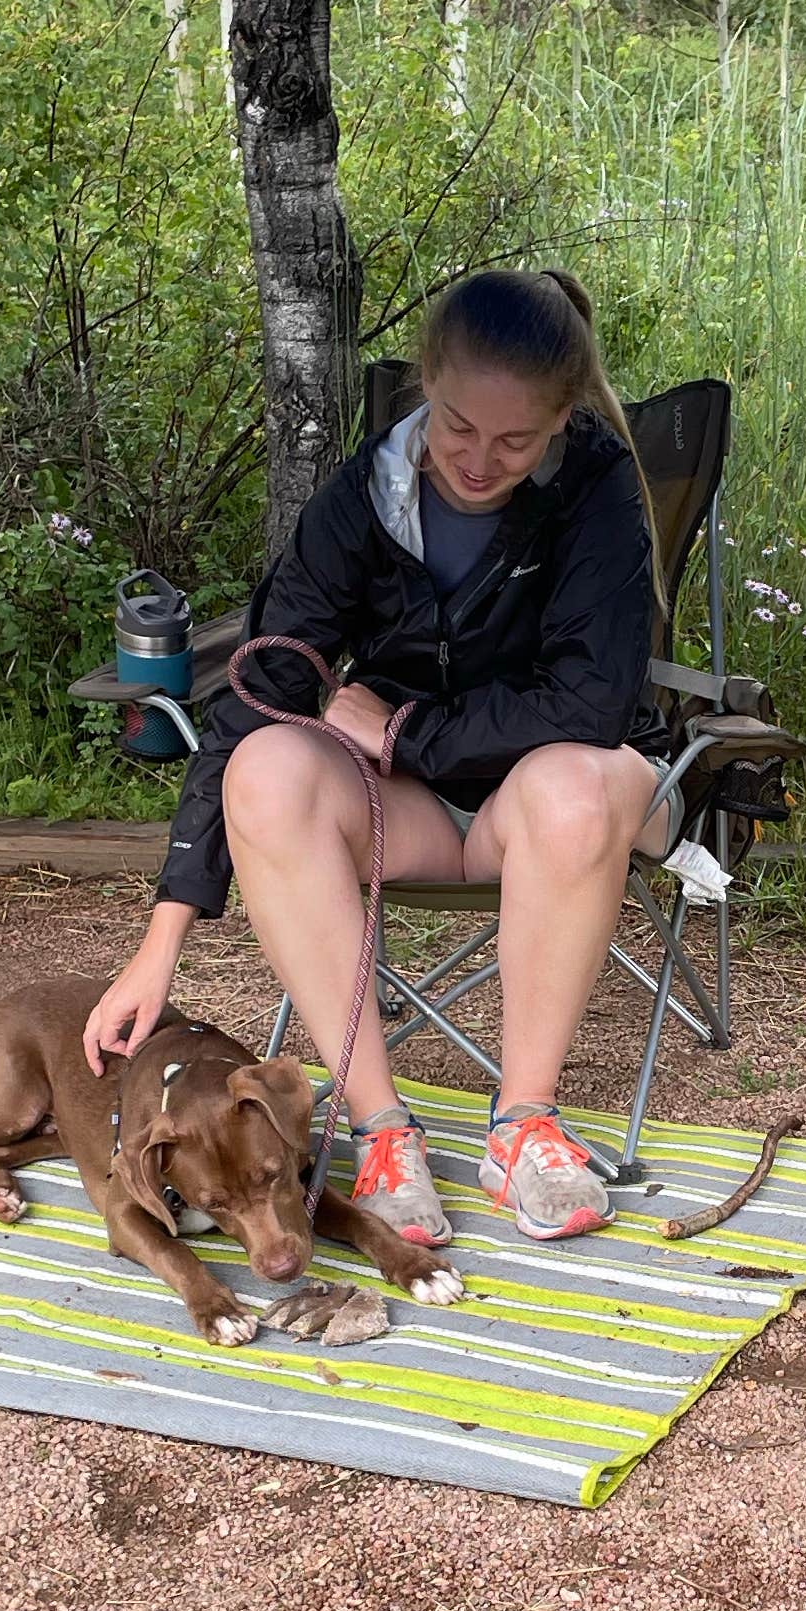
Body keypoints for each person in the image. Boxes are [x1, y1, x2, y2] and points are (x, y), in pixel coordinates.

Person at [83, 268, 667, 1246]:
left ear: (562, 420)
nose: (481, 461)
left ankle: (524, 1126)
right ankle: (383, 1128)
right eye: (458, 428)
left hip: (574, 804)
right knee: (265, 769)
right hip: (425, 817)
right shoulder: (362, 497)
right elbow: (258, 690)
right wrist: (163, 940)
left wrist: (403, 734)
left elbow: (589, 703)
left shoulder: (598, 491)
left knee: (568, 785)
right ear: (427, 388)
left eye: (516, 439)